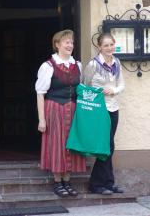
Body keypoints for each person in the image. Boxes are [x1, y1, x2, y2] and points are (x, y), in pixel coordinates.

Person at [35, 29, 86, 197]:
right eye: (66, 42)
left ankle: (67, 180)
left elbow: (82, 90)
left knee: (72, 143)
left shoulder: (77, 65)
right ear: (57, 44)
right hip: (54, 108)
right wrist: (41, 119)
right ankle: (58, 182)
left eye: (71, 42)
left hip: (73, 110)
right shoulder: (48, 66)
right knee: (57, 144)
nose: (70, 45)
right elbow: (40, 93)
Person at [83, 33, 125, 195]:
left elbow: (121, 84)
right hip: (99, 109)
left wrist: (113, 90)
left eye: (111, 45)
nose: (109, 48)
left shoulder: (117, 62)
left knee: (110, 146)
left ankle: (108, 182)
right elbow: (85, 87)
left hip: (113, 108)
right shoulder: (93, 65)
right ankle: (97, 184)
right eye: (106, 45)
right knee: (104, 146)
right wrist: (100, 91)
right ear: (99, 47)